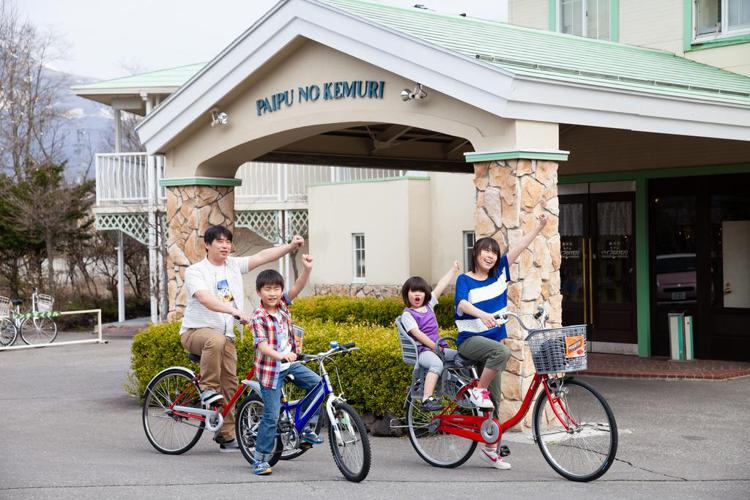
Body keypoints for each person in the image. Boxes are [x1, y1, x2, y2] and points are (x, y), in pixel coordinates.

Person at [180, 225, 304, 452]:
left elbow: (262, 256)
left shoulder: (233, 266)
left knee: (231, 384)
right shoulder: (196, 271)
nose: (225, 245)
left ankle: (226, 435)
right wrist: (235, 312)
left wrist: (290, 246)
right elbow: (205, 298)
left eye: (228, 241)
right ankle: (207, 388)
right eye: (219, 241)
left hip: (226, 336)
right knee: (214, 340)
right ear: (207, 245)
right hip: (196, 332)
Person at [454, 213, 549, 470]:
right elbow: (462, 303)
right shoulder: (465, 279)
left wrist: (538, 226)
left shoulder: (499, 276)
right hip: (470, 341)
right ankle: (477, 390)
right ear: (476, 254)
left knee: (493, 401)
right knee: (502, 353)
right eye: (485, 251)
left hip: (491, 348)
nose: (490, 256)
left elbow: (519, 247)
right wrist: (482, 314)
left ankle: (490, 450)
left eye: (494, 253)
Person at [250, 255, 323, 476]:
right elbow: (262, 346)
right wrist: (281, 355)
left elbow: (298, 287)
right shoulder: (258, 317)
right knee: (271, 417)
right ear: (259, 292)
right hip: (270, 370)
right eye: (267, 289)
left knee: (318, 386)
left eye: (276, 289)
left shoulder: (282, 306)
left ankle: (305, 428)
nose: (272, 293)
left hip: (289, 363)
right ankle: (260, 460)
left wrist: (307, 269)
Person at [400, 261, 460, 411]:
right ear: (407, 294)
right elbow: (418, 334)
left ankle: (463, 392)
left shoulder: (429, 306)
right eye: (413, 291)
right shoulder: (408, 314)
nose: (417, 294)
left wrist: (453, 270)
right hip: (424, 352)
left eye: (421, 291)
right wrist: (434, 347)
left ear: (426, 293)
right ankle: (426, 399)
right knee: (436, 364)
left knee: (461, 357)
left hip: (438, 348)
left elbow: (441, 285)